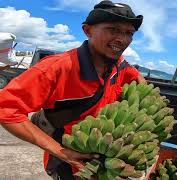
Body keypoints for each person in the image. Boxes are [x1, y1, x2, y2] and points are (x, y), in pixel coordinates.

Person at [0, 1, 145, 179]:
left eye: (129, 33)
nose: (122, 39)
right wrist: (59, 151)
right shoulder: (54, 69)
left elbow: (130, 70)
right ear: (87, 30)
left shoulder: (119, 65)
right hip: (69, 167)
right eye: (113, 29)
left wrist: (141, 81)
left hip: (108, 168)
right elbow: (6, 109)